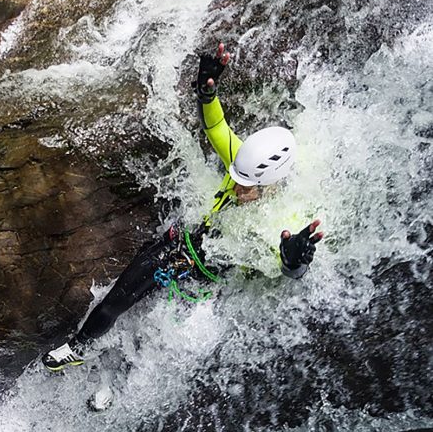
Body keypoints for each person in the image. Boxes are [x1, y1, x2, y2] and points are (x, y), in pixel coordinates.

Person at [43, 43, 324, 372]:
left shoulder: (284, 220)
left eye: (245, 186)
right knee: (118, 298)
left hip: (210, 283)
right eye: (235, 177)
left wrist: (293, 261)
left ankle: (115, 381)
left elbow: (287, 268)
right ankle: (77, 348)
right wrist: (208, 95)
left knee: (158, 343)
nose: (235, 186)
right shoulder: (242, 162)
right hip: (184, 247)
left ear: (271, 183)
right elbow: (217, 128)